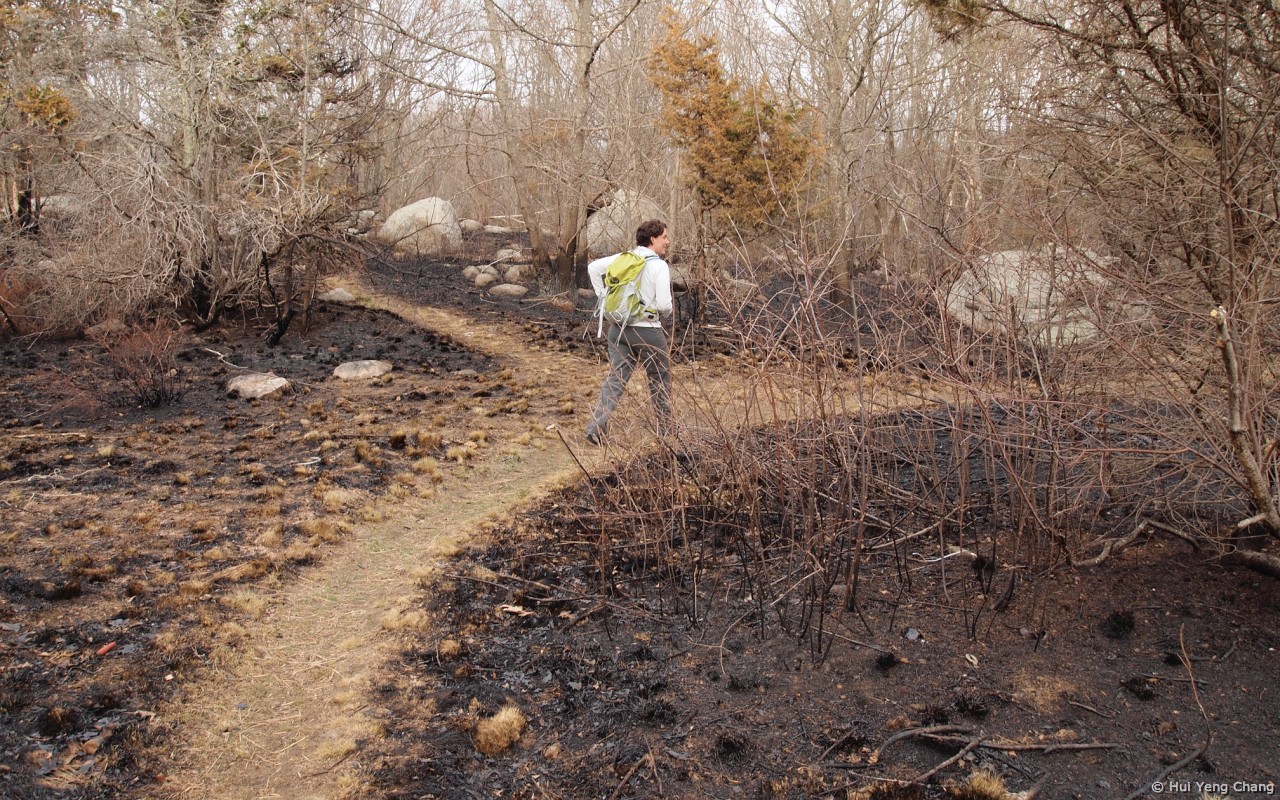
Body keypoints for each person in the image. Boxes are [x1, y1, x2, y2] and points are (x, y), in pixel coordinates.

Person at [585, 219, 674, 444]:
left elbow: (593, 268)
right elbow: (664, 305)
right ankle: (667, 431)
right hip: (648, 332)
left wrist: (603, 298)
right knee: (660, 378)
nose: (667, 241)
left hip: (618, 330)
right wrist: (664, 313)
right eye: (664, 237)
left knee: (616, 378)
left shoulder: (625, 258)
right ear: (653, 239)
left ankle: (595, 429)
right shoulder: (659, 266)